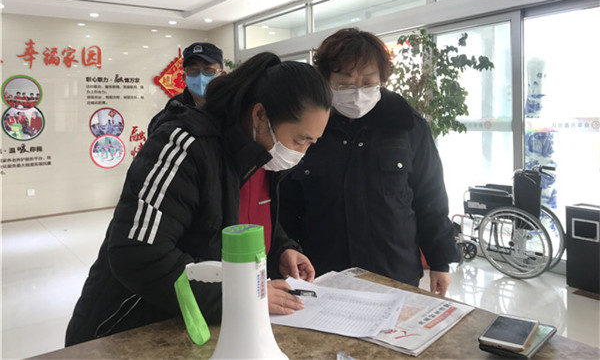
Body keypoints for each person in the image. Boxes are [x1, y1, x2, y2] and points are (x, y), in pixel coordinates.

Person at [65, 52, 332, 346]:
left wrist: (281, 248)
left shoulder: (262, 156)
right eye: (300, 140)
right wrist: (241, 297)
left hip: (204, 326)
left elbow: (245, 213)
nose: (301, 152)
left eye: (311, 143)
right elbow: (137, 254)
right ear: (259, 116)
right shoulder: (185, 144)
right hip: (131, 328)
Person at [279, 28, 460, 297]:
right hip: (322, 272)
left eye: (367, 82)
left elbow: (430, 196)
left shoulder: (407, 125)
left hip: (393, 272)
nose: (357, 92)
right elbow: (285, 201)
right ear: (326, 79)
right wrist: (284, 249)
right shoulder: (309, 127)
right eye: (345, 83)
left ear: (382, 80)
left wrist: (440, 262)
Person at [147, 42, 224, 135]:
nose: (201, 77)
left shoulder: (233, 108)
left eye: (209, 70)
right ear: (184, 77)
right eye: (193, 70)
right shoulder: (171, 112)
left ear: (222, 75)